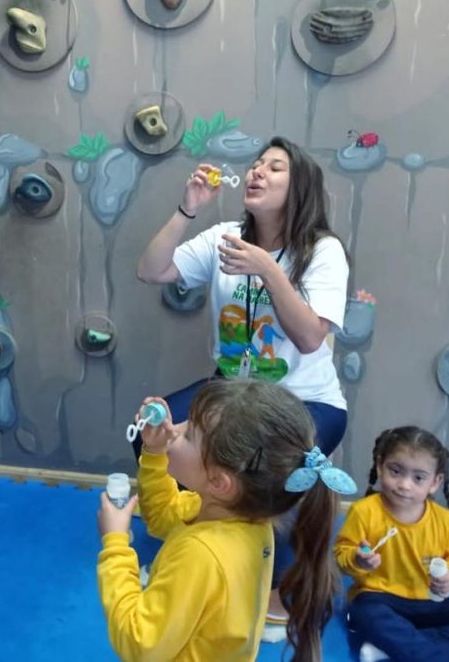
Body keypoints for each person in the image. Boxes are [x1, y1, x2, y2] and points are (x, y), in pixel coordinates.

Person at [135, 137, 350, 633]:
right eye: (256, 165)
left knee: (262, 472)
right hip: (234, 393)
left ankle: (274, 587)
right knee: (153, 434)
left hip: (307, 402)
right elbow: (151, 270)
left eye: (274, 168)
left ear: (300, 188)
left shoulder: (323, 250)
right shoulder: (224, 237)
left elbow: (310, 338)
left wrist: (269, 269)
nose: (257, 172)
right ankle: (196, 553)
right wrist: (187, 209)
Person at [97, 379, 357, 662]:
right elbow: (162, 515)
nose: (173, 429)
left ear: (219, 482)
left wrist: (115, 546)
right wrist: (154, 455)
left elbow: (138, 643)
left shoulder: (200, 555)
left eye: (188, 434)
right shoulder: (247, 517)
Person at [334, 426, 449, 662]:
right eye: (395, 471)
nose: (404, 484)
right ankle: (435, 656)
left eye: (418, 478)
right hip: (378, 599)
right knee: (363, 615)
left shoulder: (444, 521)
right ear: (380, 466)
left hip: (430, 604)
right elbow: (342, 556)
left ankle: (389, 648)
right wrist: (357, 559)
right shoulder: (363, 512)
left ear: (435, 482)